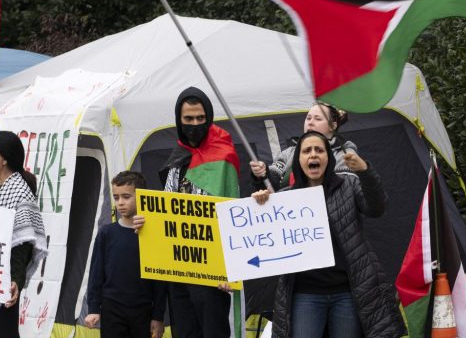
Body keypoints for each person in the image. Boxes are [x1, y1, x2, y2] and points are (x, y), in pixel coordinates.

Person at [250, 131, 406, 338]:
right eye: (306, 151)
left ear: (328, 158)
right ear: (299, 160)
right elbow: (262, 241)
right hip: (305, 294)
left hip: (347, 293)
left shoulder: (348, 185)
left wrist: (365, 171)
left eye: (319, 150)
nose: (313, 155)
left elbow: (376, 208)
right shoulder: (284, 198)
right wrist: (261, 201)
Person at [134, 87, 239, 338]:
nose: (194, 124)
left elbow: (235, 216)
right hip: (178, 269)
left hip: (212, 272)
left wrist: (230, 272)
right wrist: (146, 223)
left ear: (209, 118)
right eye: (188, 119)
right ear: (179, 121)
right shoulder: (177, 158)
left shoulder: (224, 157)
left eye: (200, 119)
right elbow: (167, 210)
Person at [0, 131, 48, 338]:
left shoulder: (20, 192)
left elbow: (23, 243)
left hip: (2, 281)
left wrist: (16, 279)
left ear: (4, 158)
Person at [84, 171, 166, 338]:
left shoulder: (153, 234)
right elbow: (96, 274)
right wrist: (93, 308)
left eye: (126, 197)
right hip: (111, 309)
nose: (120, 203)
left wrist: (158, 316)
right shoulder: (107, 233)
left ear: (142, 196)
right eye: (116, 197)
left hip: (143, 310)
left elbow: (160, 280)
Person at [249, 103, 356, 190]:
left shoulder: (345, 154)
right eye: (308, 118)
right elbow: (273, 182)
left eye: (317, 119)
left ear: (333, 125)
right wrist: (263, 173)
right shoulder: (289, 152)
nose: (310, 123)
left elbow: (344, 193)